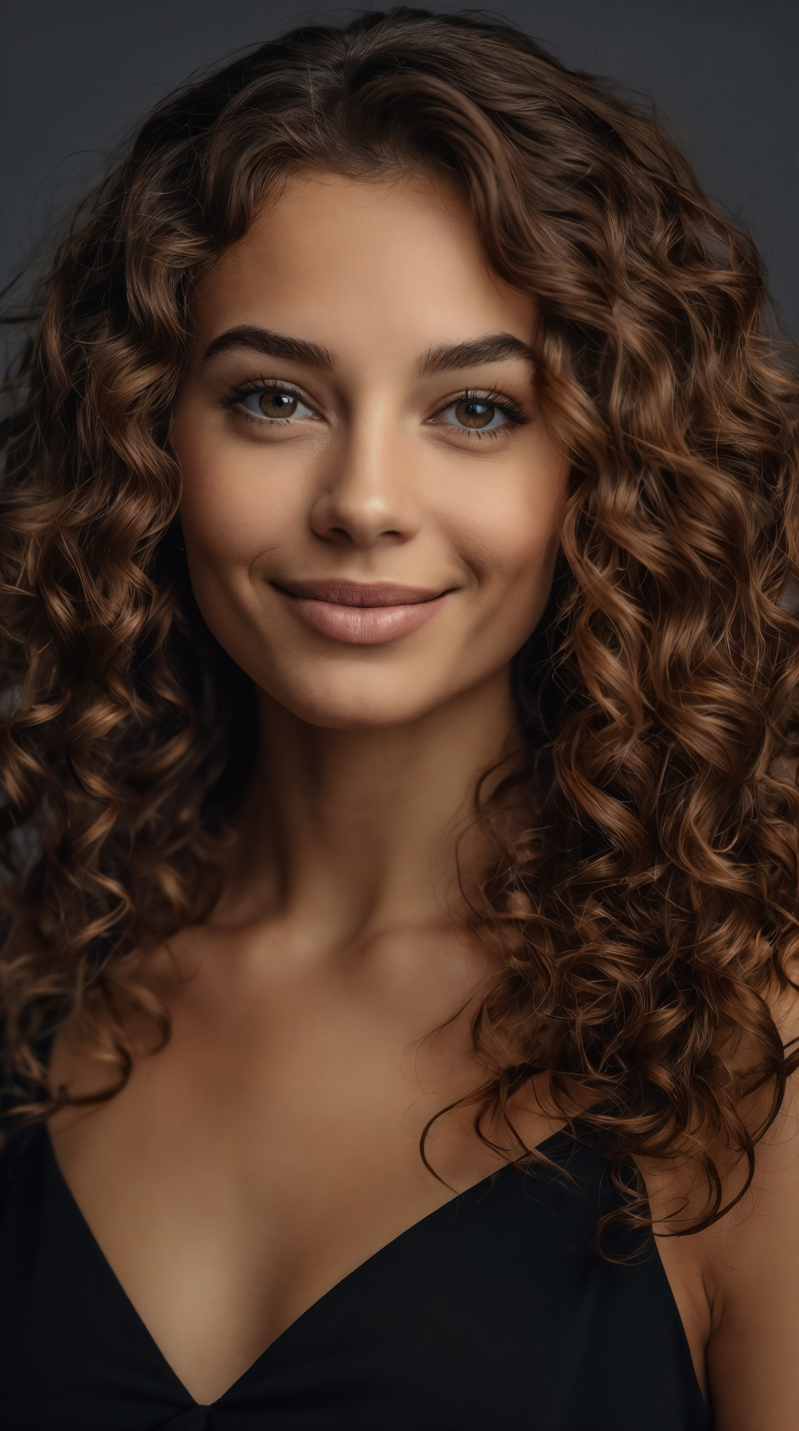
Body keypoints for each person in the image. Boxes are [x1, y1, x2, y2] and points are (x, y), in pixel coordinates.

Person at [1, 8, 797, 1428]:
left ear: (601, 465)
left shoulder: (745, 1054)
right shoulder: (30, 991)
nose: (363, 500)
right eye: (274, 397)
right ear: (145, 435)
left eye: (474, 410)